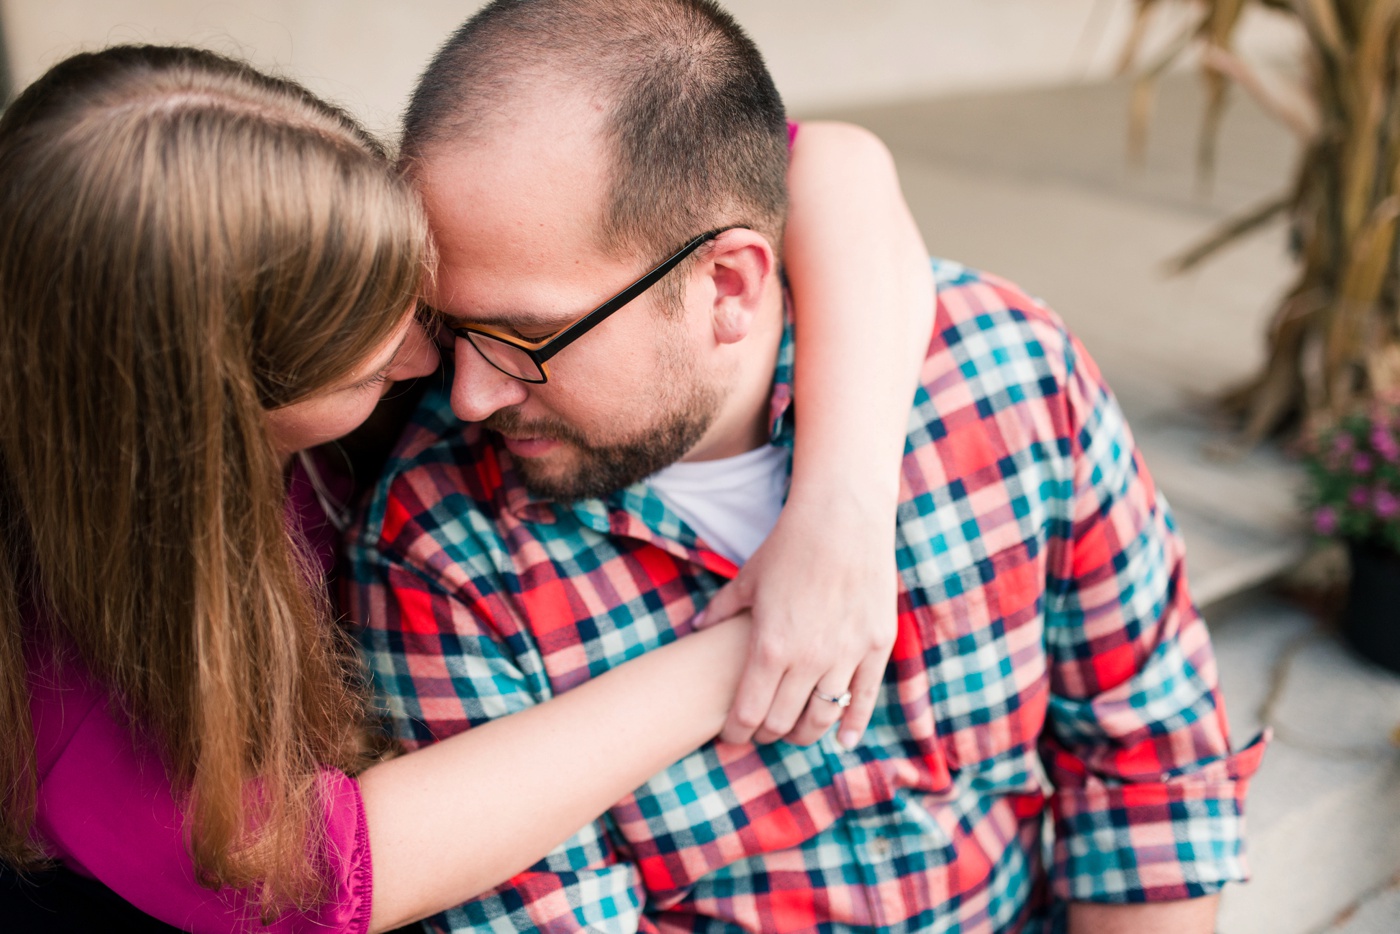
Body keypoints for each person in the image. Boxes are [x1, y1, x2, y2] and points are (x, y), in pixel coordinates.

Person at [348, 1, 1270, 932]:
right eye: (451, 327)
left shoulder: (1005, 377)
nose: (469, 395)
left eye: (529, 338)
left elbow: (1151, 767)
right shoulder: (438, 548)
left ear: (729, 285)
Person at [0, 42, 934, 934]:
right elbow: (325, 879)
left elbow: (831, 168)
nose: (434, 359)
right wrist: (757, 646)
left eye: (419, 299)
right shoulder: (73, 692)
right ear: (206, 409)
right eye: (371, 360)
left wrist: (840, 518)